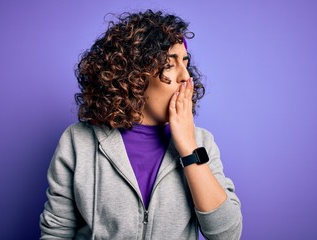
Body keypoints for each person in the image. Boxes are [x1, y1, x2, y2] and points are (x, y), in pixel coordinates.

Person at [39, 9, 242, 239]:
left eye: (185, 63)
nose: (186, 76)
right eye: (169, 64)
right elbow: (56, 233)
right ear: (133, 75)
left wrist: (188, 148)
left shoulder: (202, 142)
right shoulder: (78, 142)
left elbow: (227, 234)